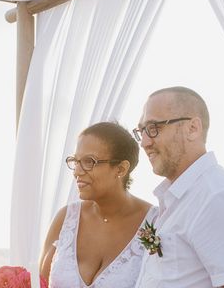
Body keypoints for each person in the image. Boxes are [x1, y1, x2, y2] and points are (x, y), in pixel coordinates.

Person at [134, 86, 224, 288]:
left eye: (154, 128)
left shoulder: (218, 196)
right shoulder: (180, 197)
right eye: (142, 131)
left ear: (192, 128)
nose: (145, 142)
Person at [40, 121, 157, 287]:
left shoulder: (154, 225)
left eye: (89, 162)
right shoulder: (65, 219)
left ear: (121, 169)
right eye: (75, 161)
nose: (77, 172)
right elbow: (39, 282)